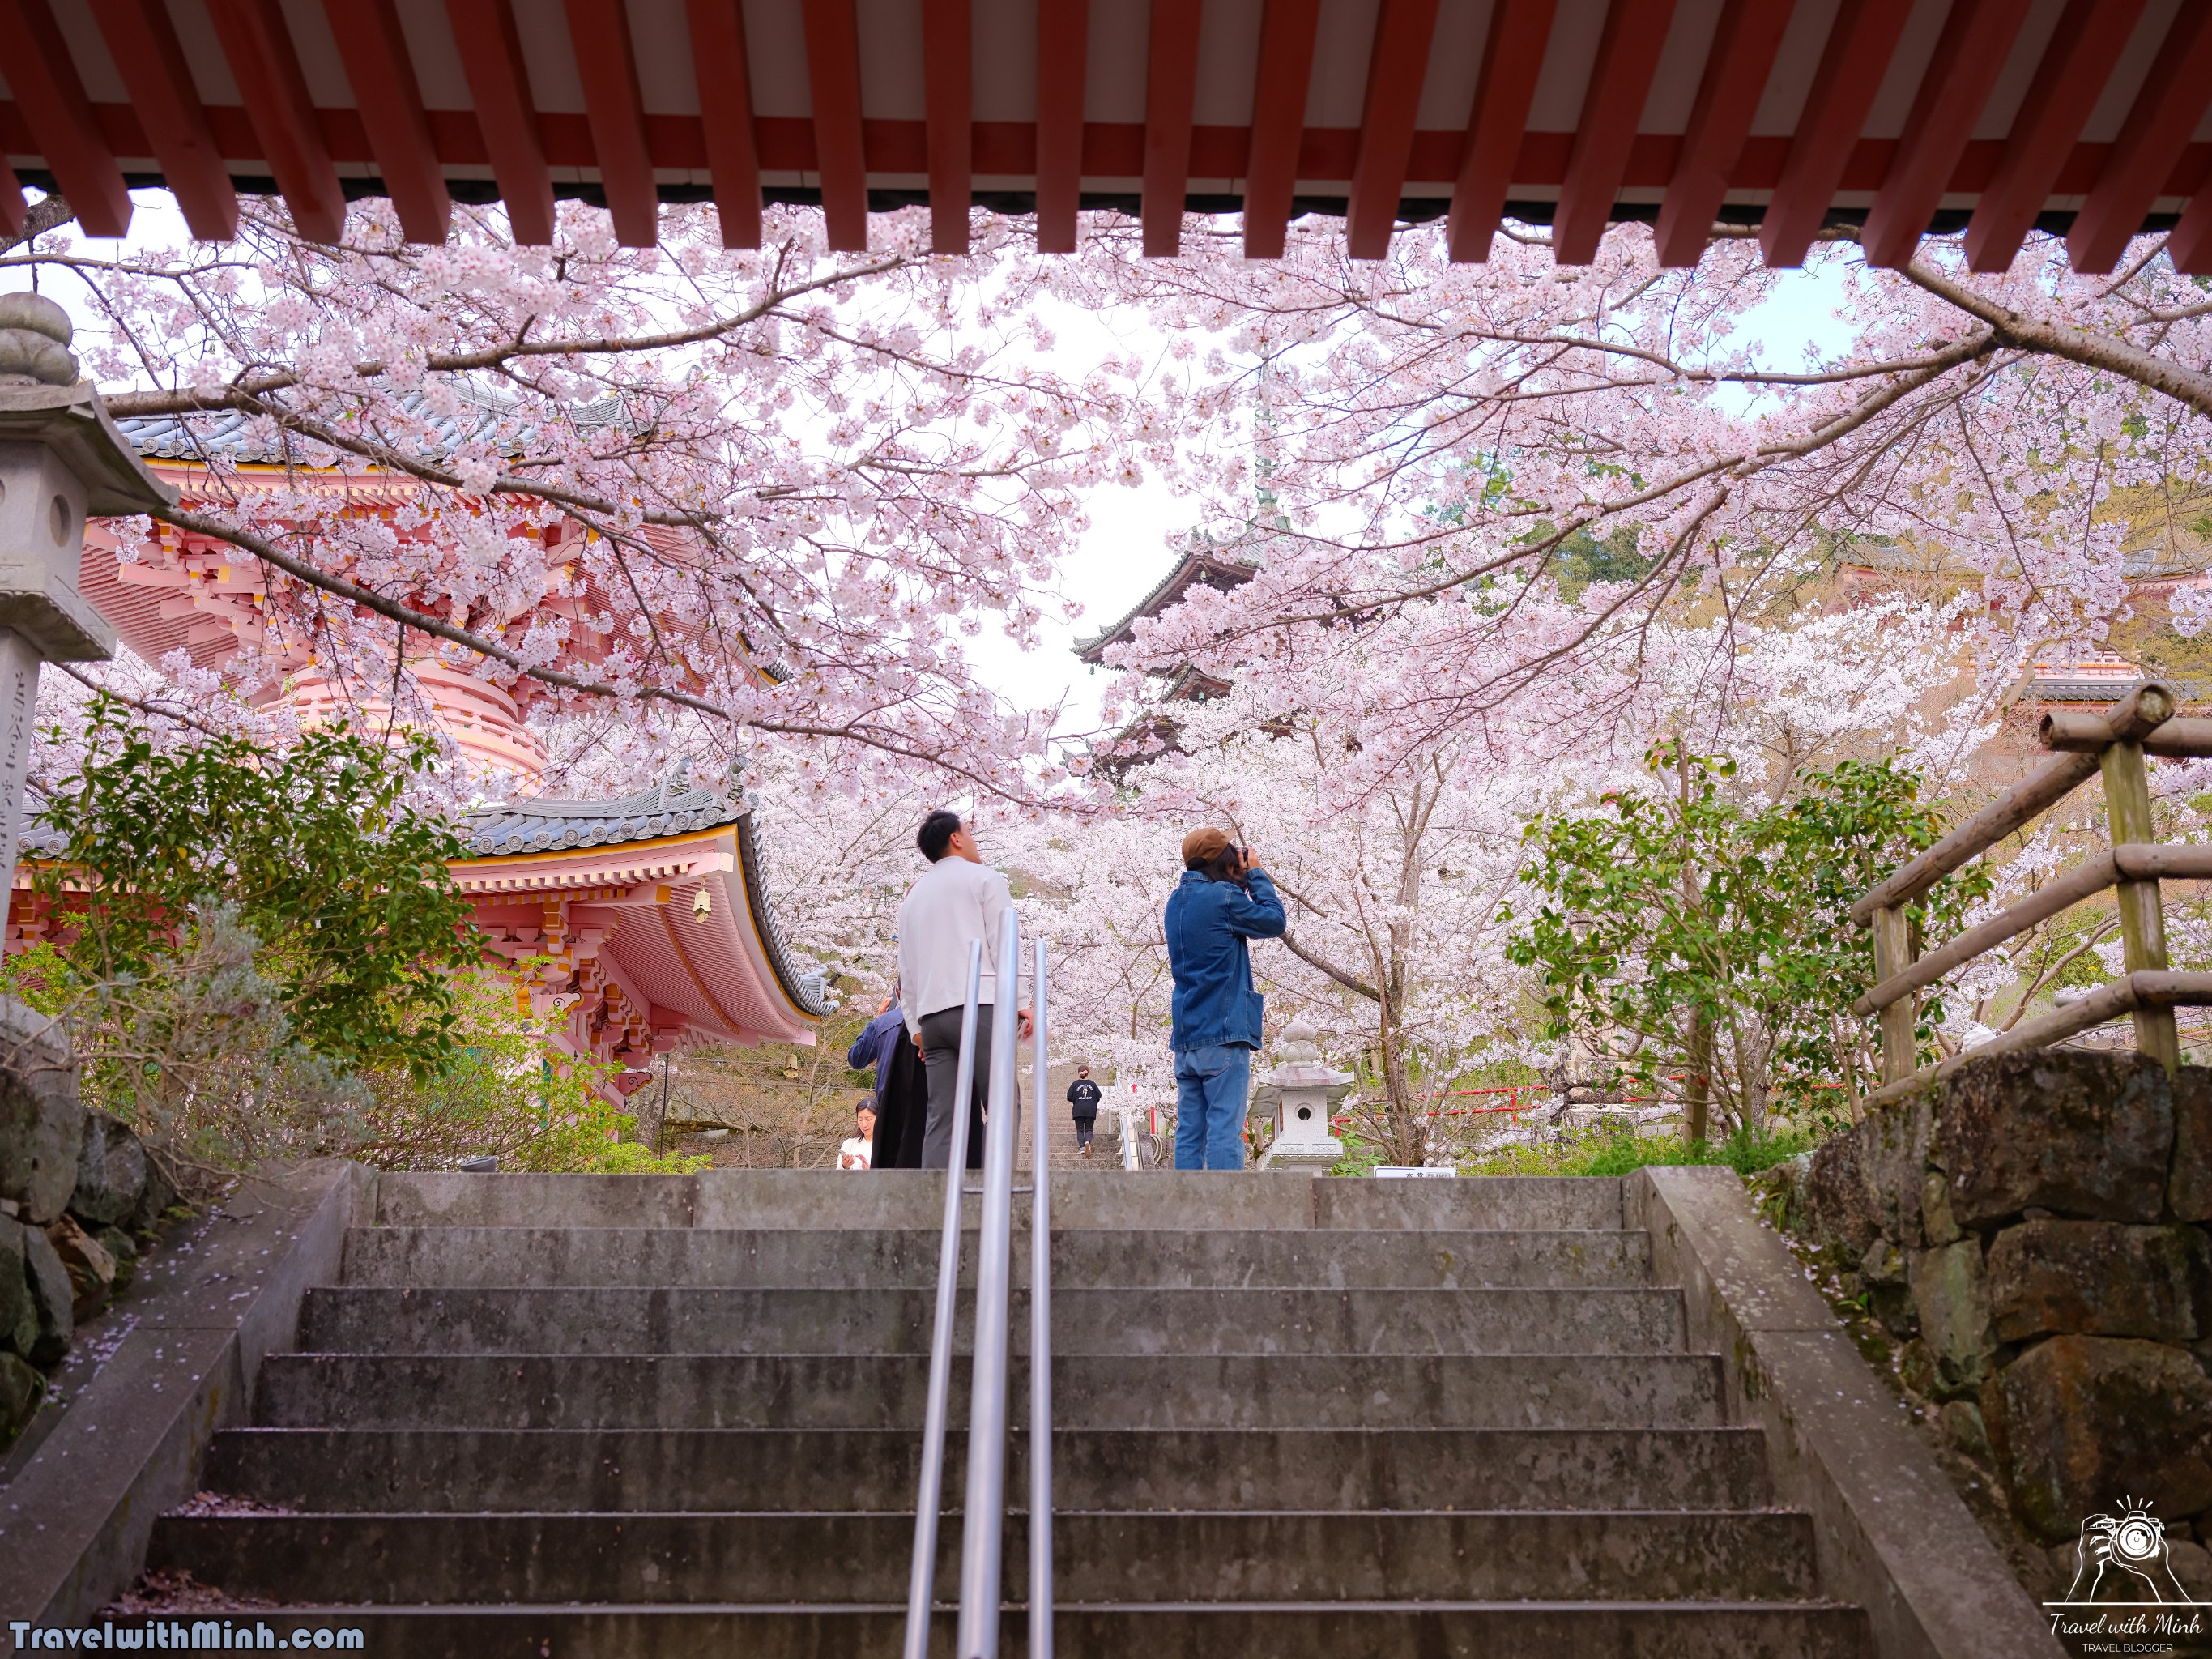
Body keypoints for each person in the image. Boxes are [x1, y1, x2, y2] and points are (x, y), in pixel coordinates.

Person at [895, 810, 1031, 1169]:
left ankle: (934, 1205)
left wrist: (915, 1030)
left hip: (933, 1019)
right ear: (956, 838)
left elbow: (906, 972)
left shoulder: (912, 899)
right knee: (1001, 1104)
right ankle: (993, 1193)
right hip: (981, 1007)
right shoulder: (985, 879)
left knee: (943, 1116)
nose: (973, 840)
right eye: (969, 832)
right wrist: (1022, 1001)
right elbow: (1004, 944)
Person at [1163, 828, 1285, 1170]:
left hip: (1188, 1039)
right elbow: (1274, 921)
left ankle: (1186, 1211)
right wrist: (1256, 875)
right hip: (1224, 1033)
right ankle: (1226, 1217)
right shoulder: (1224, 900)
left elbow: (1218, 910)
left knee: (1190, 1132)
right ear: (1223, 861)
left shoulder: (1176, 903)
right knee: (1224, 1131)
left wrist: (1236, 882)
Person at [847, 987, 928, 1169]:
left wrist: (878, 1021)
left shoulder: (884, 1023)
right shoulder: (938, 1017)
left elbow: (856, 1058)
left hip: (889, 1105)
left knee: (889, 1164)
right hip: (930, 1106)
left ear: (898, 993)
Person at [1066, 1065, 1102, 1156]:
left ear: (1079, 1073)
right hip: (1090, 1109)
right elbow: (1099, 1096)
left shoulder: (1075, 1084)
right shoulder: (1093, 1084)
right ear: (1088, 1073)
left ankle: (1082, 1147)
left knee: (1080, 1130)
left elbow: (1069, 1097)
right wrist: (1093, 1102)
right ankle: (1087, 1142)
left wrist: (1077, 1099)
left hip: (1078, 1109)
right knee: (1089, 1129)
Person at [837, 1102, 876, 1170]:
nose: (864, 1124)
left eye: (868, 1119)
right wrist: (845, 1166)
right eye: (860, 1119)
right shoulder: (849, 1144)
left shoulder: (890, 1146)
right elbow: (836, 1177)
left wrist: (872, 1172)